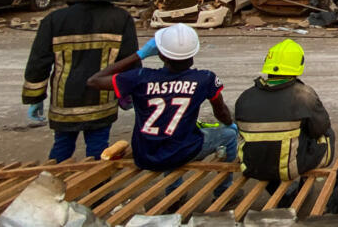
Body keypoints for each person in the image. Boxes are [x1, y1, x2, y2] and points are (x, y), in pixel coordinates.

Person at [87, 23, 237, 198]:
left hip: (144, 153)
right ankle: (224, 192)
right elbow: (222, 113)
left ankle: (175, 195)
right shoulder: (205, 78)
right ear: (193, 54)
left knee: (173, 138)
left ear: (160, 54)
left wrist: (138, 54)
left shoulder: (139, 77)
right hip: (183, 151)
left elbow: (94, 81)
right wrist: (230, 124)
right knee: (228, 135)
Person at [22, 0, 138, 162]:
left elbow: (39, 62)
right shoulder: (121, 18)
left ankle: (51, 186)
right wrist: (128, 92)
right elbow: (130, 61)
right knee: (98, 148)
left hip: (64, 103)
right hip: (101, 102)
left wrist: (35, 97)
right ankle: (98, 191)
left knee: (62, 147)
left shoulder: (55, 20)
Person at [235, 39, 338, 208]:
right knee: (327, 135)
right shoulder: (303, 95)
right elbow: (320, 128)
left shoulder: (245, 96)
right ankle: (298, 189)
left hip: (251, 165)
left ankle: (280, 191)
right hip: (286, 167)